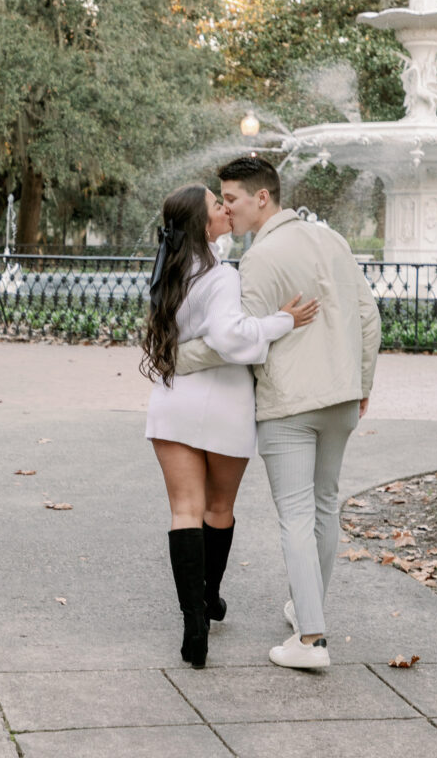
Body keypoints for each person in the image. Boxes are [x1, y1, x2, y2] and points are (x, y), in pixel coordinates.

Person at [176, 157, 381, 670]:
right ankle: (304, 607)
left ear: (261, 197)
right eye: (221, 200)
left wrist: (174, 355)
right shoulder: (330, 240)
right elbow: (368, 315)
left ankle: (310, 640)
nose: (226, 208)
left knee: (295, 514)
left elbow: (236, 342)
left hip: (289, 404)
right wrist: (363, 383)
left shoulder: (261, 258)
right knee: (326, 507)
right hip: (341, 397)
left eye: (232, 199)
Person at [140, 183, 318, 669]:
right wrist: (281, 321)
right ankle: (209, 596)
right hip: (224, 404)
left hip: (174, 404)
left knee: (184, 510)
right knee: (218, 508)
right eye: (217, 205)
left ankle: (194, 622)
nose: (224, 208)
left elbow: (173, 343)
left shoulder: (171, 269)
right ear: (203, 223)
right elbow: (229, 337)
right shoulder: (219, 276)